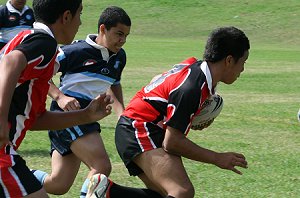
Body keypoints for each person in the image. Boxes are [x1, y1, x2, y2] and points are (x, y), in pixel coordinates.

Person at [86, 26, 251, 198]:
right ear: (229, 60)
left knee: (164, 193)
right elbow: (172, 142)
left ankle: (108, 192)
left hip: (137, 127)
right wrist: (217, 158)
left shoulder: (194, 66)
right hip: (138, 128)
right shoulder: (192, 87)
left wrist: (183, 116)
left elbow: (157, 80)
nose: (243, 70)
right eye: (243, 62)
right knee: (182, 191)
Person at [0, 0, 114, 197]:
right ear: (67, 17)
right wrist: (0, 118)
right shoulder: (45, 42)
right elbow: (11, 62)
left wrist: (85, 115)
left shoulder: (28, 39)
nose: (80, 23)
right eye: (80, 14)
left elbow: (34, 120)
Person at [31, 6, 131, 198]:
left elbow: (114, 83)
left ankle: (13, 178)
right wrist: (60, 97)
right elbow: (41, 74)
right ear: (103, 29)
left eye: (126, 35)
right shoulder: (75, 50)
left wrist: (122, 114)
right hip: (67, 116)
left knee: (58, 184)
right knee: (101, 165)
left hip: (87, 117)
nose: (123, 40)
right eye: (119, 34)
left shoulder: (120, 56)